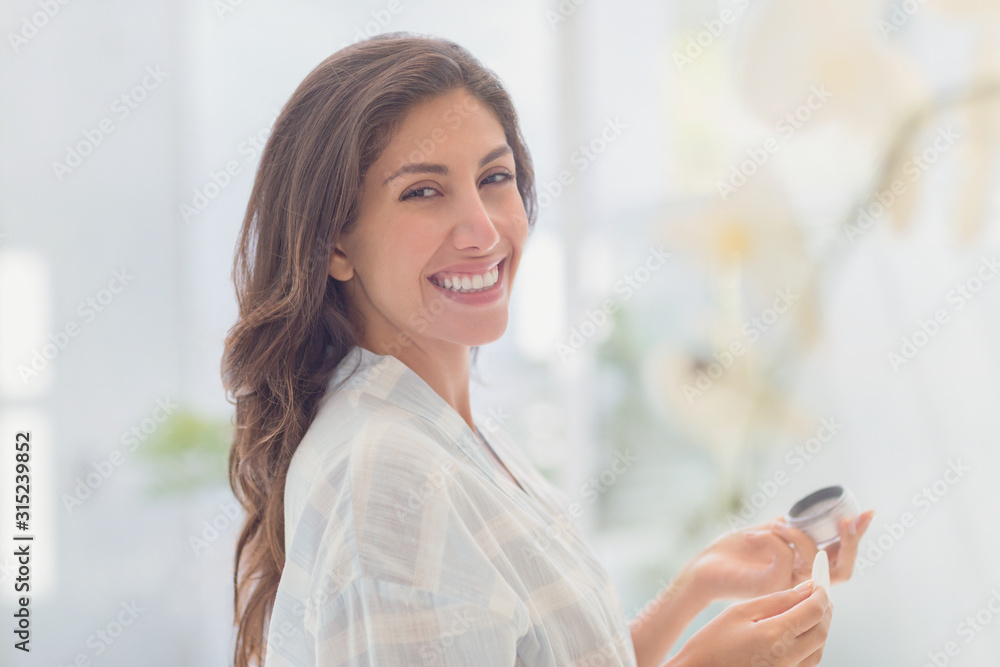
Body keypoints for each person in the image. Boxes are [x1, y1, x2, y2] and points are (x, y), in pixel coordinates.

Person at [221, 32, 875, 667]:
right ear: (334, 243)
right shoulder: (390, 476)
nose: (482, 229)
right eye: (424, 190)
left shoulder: (454, 433)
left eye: (495, 178)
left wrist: (692, 590)